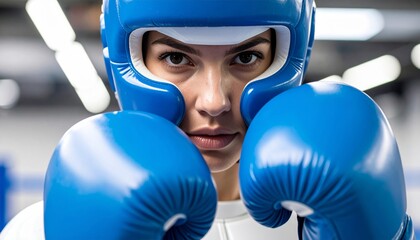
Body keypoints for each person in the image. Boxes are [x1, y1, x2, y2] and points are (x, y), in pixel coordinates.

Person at [0, 0, 413, 239]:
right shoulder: (40, 231)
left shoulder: (342, 214)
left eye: (247, 57)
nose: (215, 102)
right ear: (125, 62)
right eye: (177, 58)